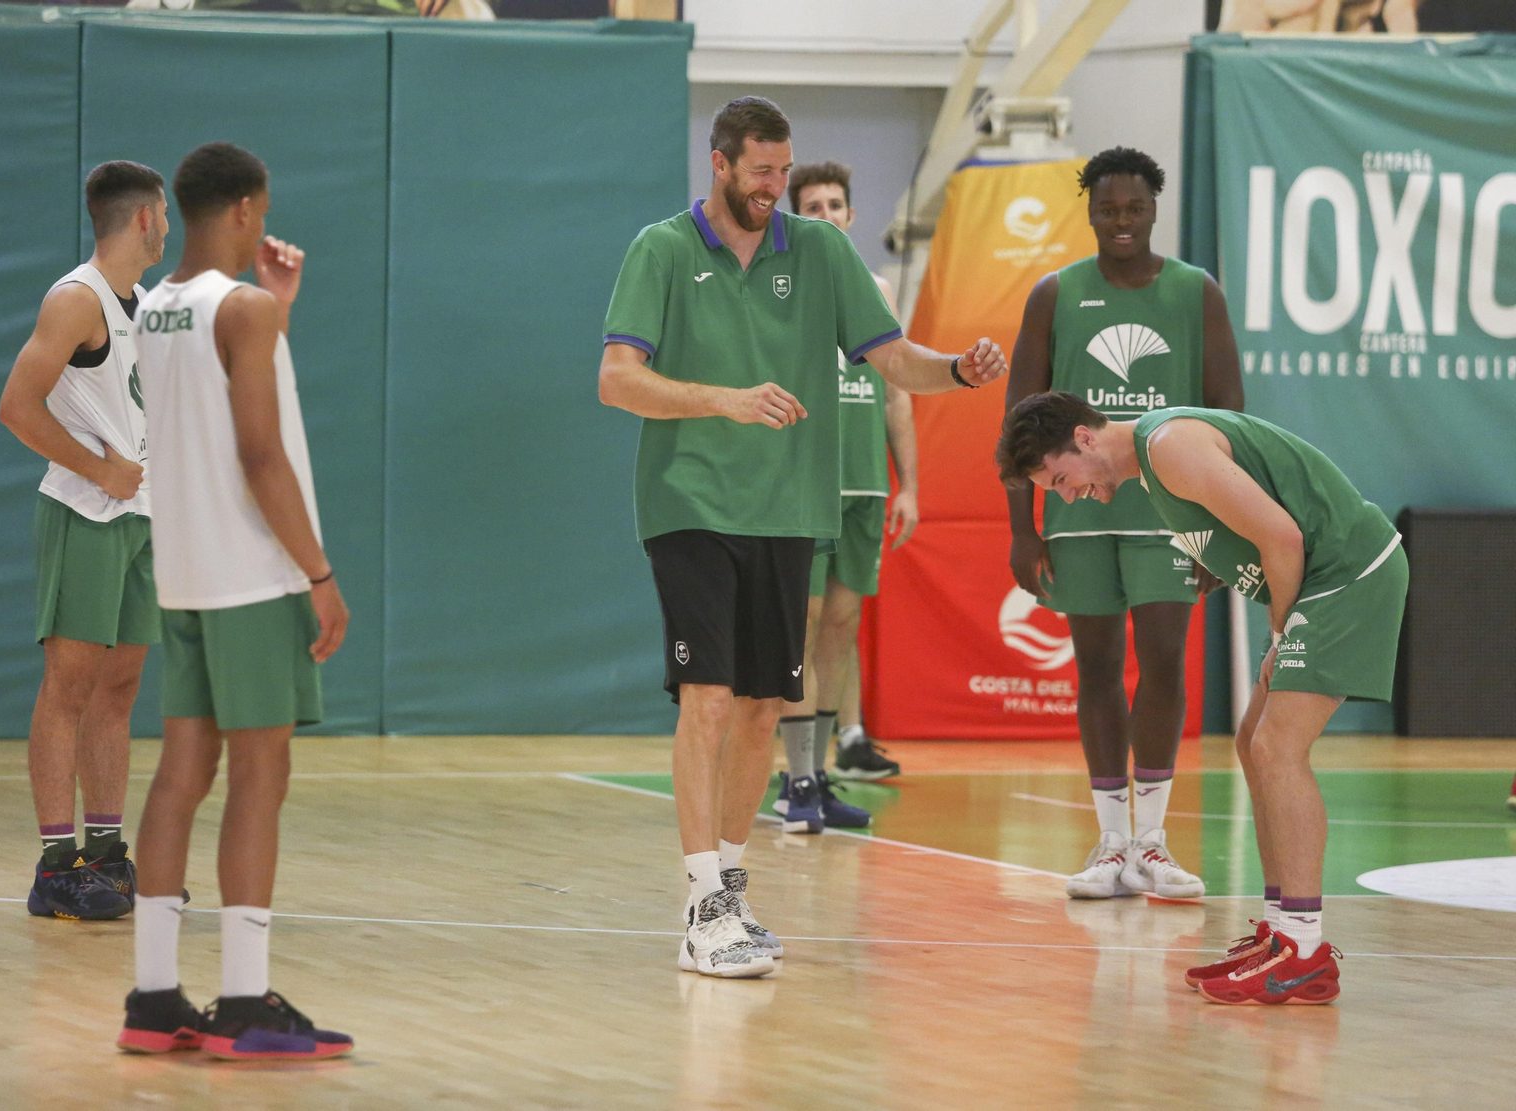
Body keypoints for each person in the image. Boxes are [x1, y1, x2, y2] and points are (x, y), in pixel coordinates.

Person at [599, 97, 1007, 978]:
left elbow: (893, 358)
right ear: (719, 164)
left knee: (760, 708)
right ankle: (702, 905)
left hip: (791, 511)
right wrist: (725, 398)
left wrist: (958, 372)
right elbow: (617, 380)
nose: (776, 188)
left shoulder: (820, 251)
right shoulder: (662, 249)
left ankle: (733, 889)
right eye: (761, 173)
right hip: (691, 505)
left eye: (784, 172)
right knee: (706, 698)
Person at [998, 392, 1408, 1004]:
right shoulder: (1153, 464)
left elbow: (1283, 537)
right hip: (1325, 578)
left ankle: (1302, 949)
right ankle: (1279, 935)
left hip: (1345, 575)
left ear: (1085, 438)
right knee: (1252, 743)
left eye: (1060, 478)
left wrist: (1279, 633)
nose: (1064, 494)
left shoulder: (1169, 448)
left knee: (1277, 748)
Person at [117, 142, 352, 1059]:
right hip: (253, 575)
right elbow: (259, 455)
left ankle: (154, 994)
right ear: (250, 208)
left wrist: (277, 314)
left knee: (181, 777)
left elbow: (214, 407)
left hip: (181, 570)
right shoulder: (241, 310)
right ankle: (247, 1000)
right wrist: (320, 574)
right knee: (261, 775)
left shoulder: (159, 309)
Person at [1003, 147, 1243, 902]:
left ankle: (1154, 842)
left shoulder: (1195, 292)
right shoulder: (1055, 293)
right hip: (1076, 512)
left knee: (1165, 662)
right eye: (1107, 209)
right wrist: (1022, 525)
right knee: (1098, 665)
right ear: (1089, 213)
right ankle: (1111, 843)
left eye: (1134, 208)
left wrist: (1223, 524)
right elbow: (1018, 420)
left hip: (1172, 510)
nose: (1122, 222)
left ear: (1155, 208)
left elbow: (1232, 415)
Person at [0, 161, 169, 921]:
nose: (168, 225)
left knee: (120, 688)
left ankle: (105, 852)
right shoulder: (77, 299)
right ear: (142, 219)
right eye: (163, 213)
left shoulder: (144, 305)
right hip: (85, 511)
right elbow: (15, 405)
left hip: (141, 519)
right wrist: (101, 467)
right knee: (68, 686)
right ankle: (54, 863)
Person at [773, 160, 913, 835]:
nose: (826, 215)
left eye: (836, 205)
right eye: (813, 206)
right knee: (799, 625)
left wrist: (909, 482)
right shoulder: (781, 290)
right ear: (795, 217)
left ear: (852, 215)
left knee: (839, 626)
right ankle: (794, 776)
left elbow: (899, 393)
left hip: (864, 484)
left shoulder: (878, 292)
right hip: (805, 484)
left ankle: (820, 774)